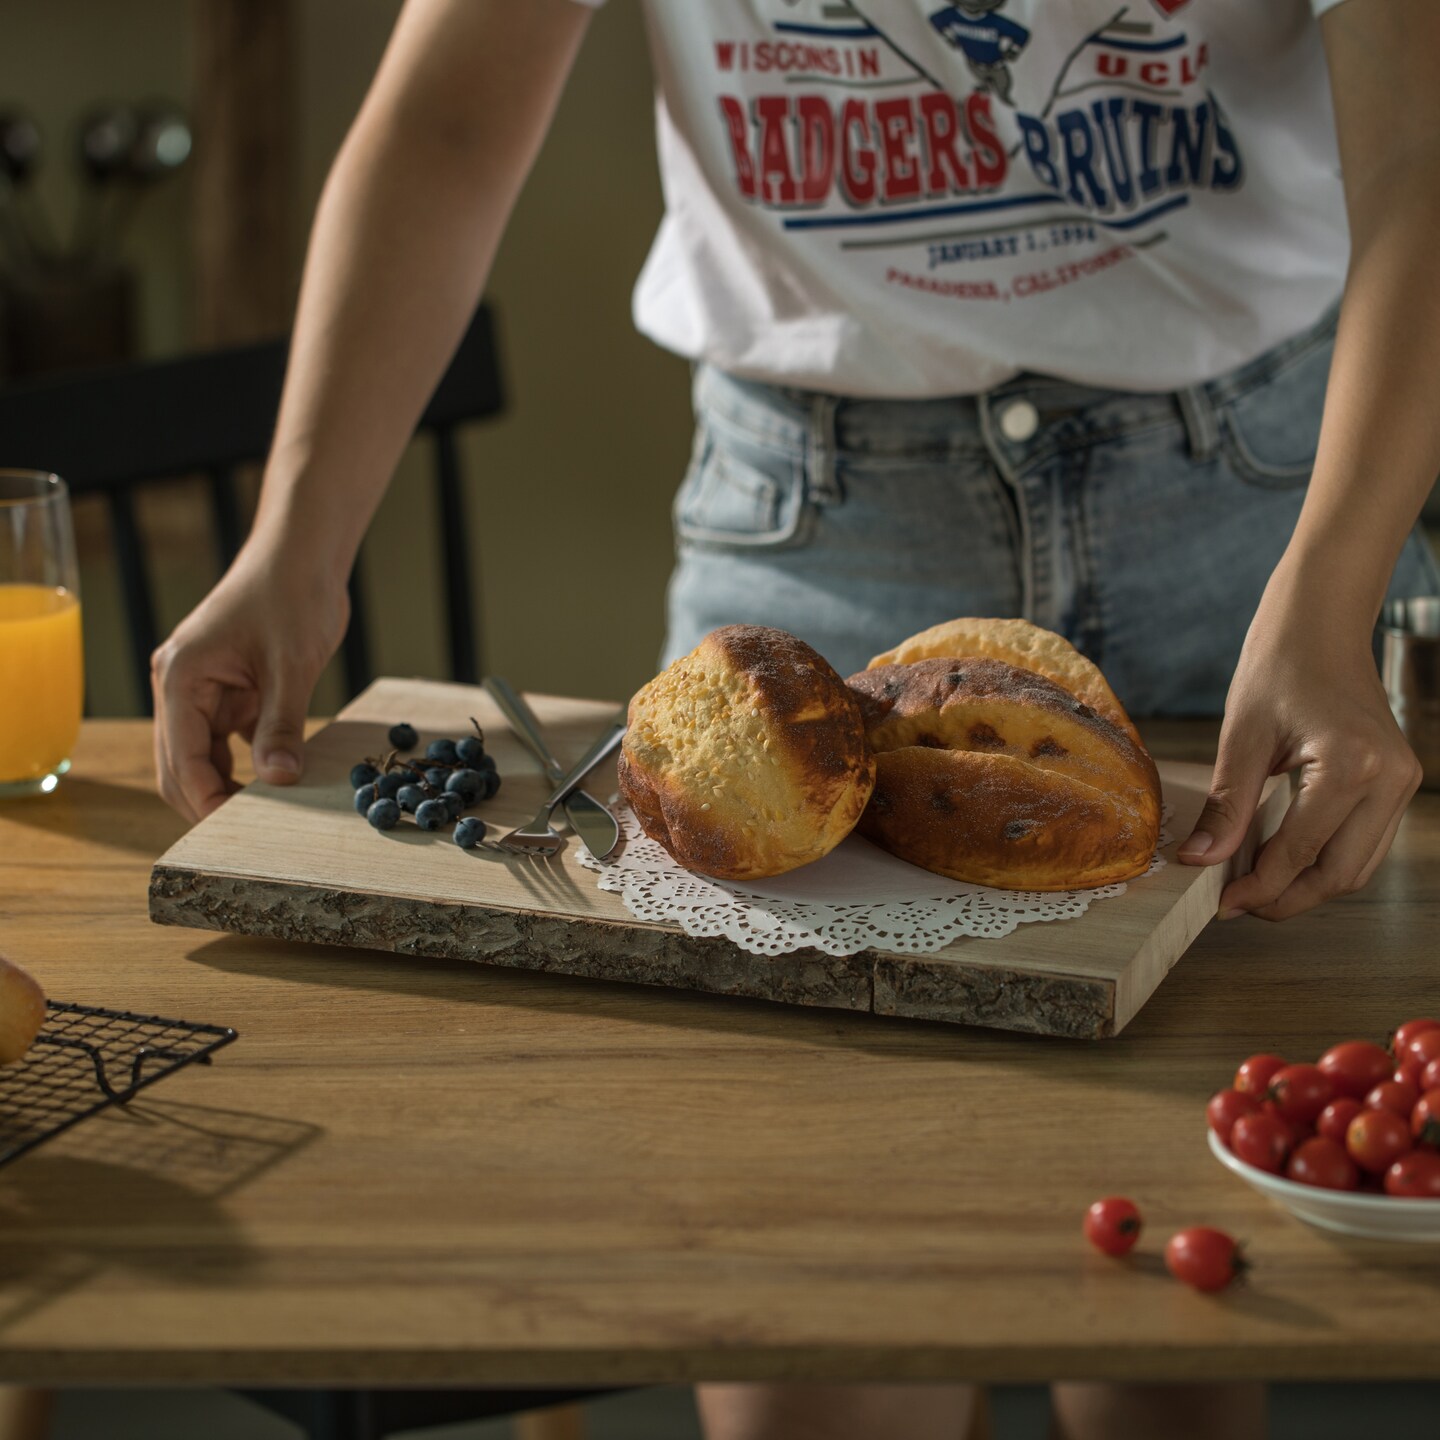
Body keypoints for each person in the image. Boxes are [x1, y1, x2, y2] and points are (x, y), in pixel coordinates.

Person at [152, 1, 1440, 1436]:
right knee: (806, 1335)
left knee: (1173, 1336)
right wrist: (295, 542)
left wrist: (1334, 588)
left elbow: (1420, 151)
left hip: (1248, 535)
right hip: (815, 538)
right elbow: (448, 122)